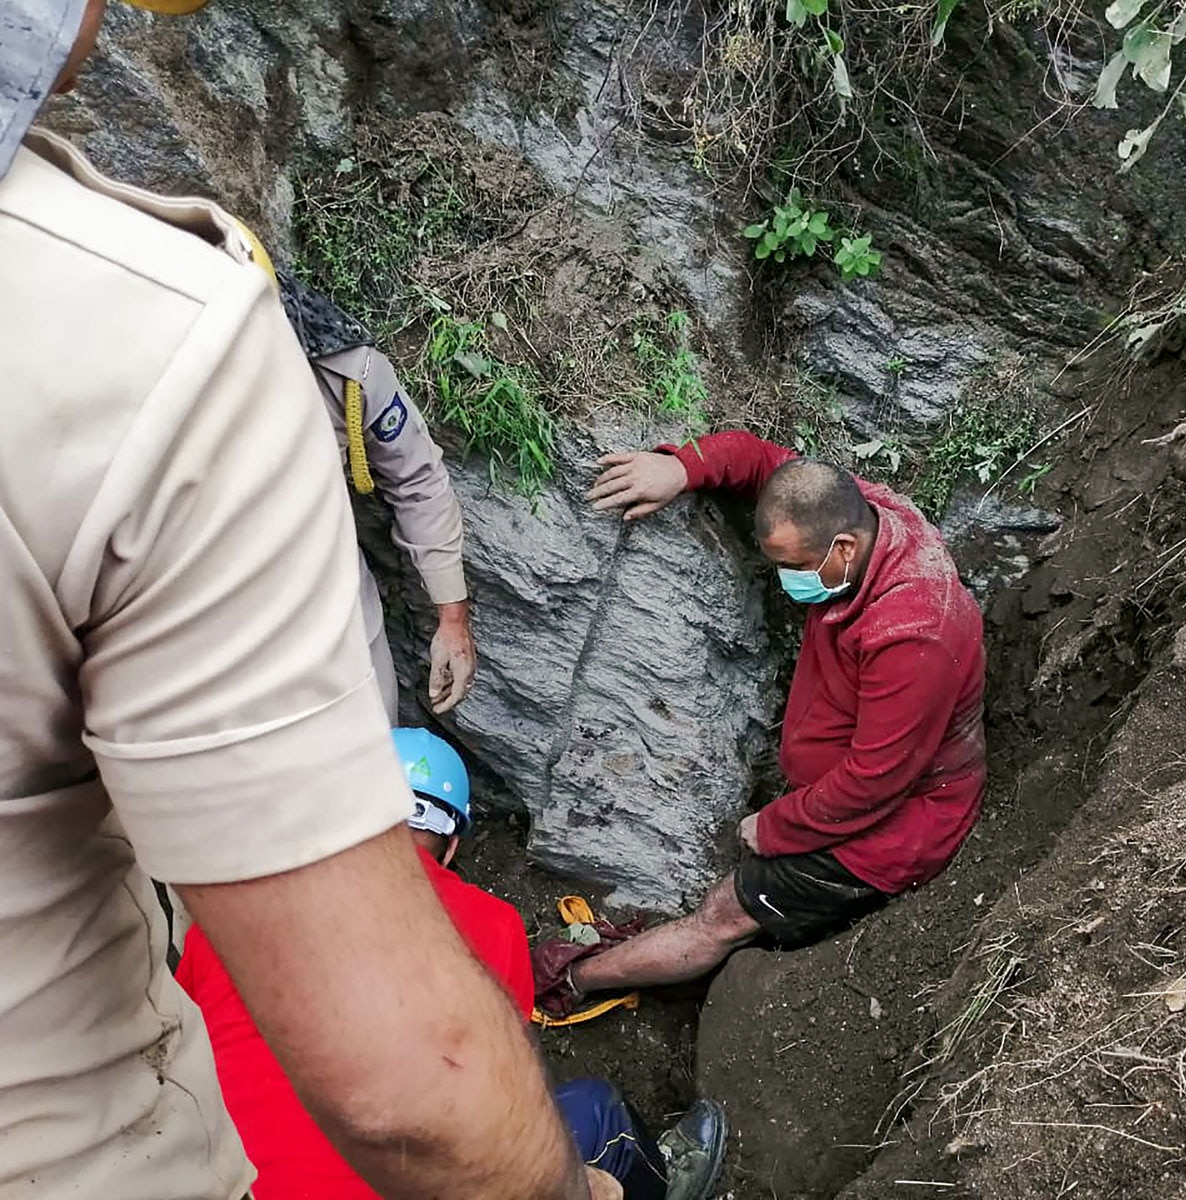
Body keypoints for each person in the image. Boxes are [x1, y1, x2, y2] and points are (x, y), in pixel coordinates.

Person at [0, 4, 609, 1198]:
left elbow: (420, 481)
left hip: (269, 599)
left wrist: (449, 613)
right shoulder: (148, 346)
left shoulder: (341, 379)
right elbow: (417, 1091)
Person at [178, 727, 729, 1200]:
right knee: (596, 1113)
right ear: (449, 847)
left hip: (216, 1178)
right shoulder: (490, 926)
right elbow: (498, 1081)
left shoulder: (226, 927)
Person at [539, 431, 986, 1007]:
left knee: (723, 915)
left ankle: (572, 981)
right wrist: (682, 469)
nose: (785, 579)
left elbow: (877, 782)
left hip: (896, 828)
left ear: (844, 548)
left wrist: (775, 827)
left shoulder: (914, 635)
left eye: (793, 565)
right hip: (846, 786)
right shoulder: (864, 516)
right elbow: (761, 461)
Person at [278, 272, 477, 719]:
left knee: (375, 742)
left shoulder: (341, 365)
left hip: (334, 600)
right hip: (205, 615)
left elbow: (417, 480)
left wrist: (451, 616)